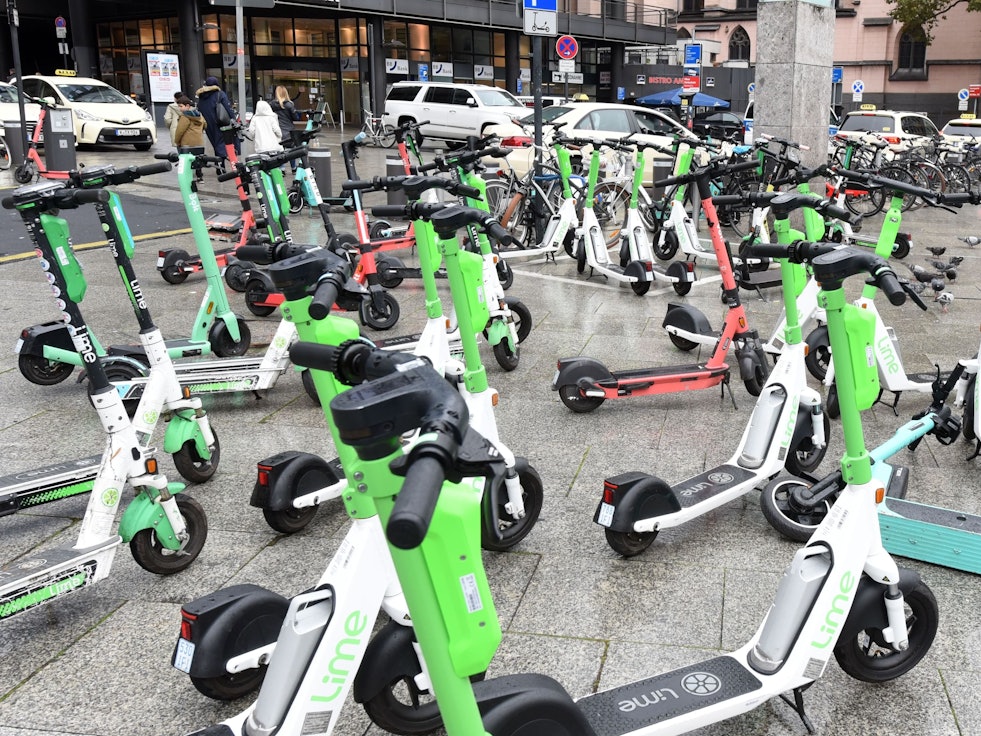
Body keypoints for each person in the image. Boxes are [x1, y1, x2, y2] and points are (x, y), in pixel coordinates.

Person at [195, 75, 239, 162]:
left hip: (207, 123)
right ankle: (224, 165)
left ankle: (219, 166)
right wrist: (233, 118)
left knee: (215, 144)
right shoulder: (220, 94)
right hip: (220, 121)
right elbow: (228, 108)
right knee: (221, 143)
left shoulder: (201, 96)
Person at [269, 85, 298, 169]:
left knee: (280, 149)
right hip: (289, 129)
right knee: (291, 150)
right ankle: (293, 167)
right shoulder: (289, 105)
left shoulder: (271, 105)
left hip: (277, 129)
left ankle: (282, 168)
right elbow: (295, 117)